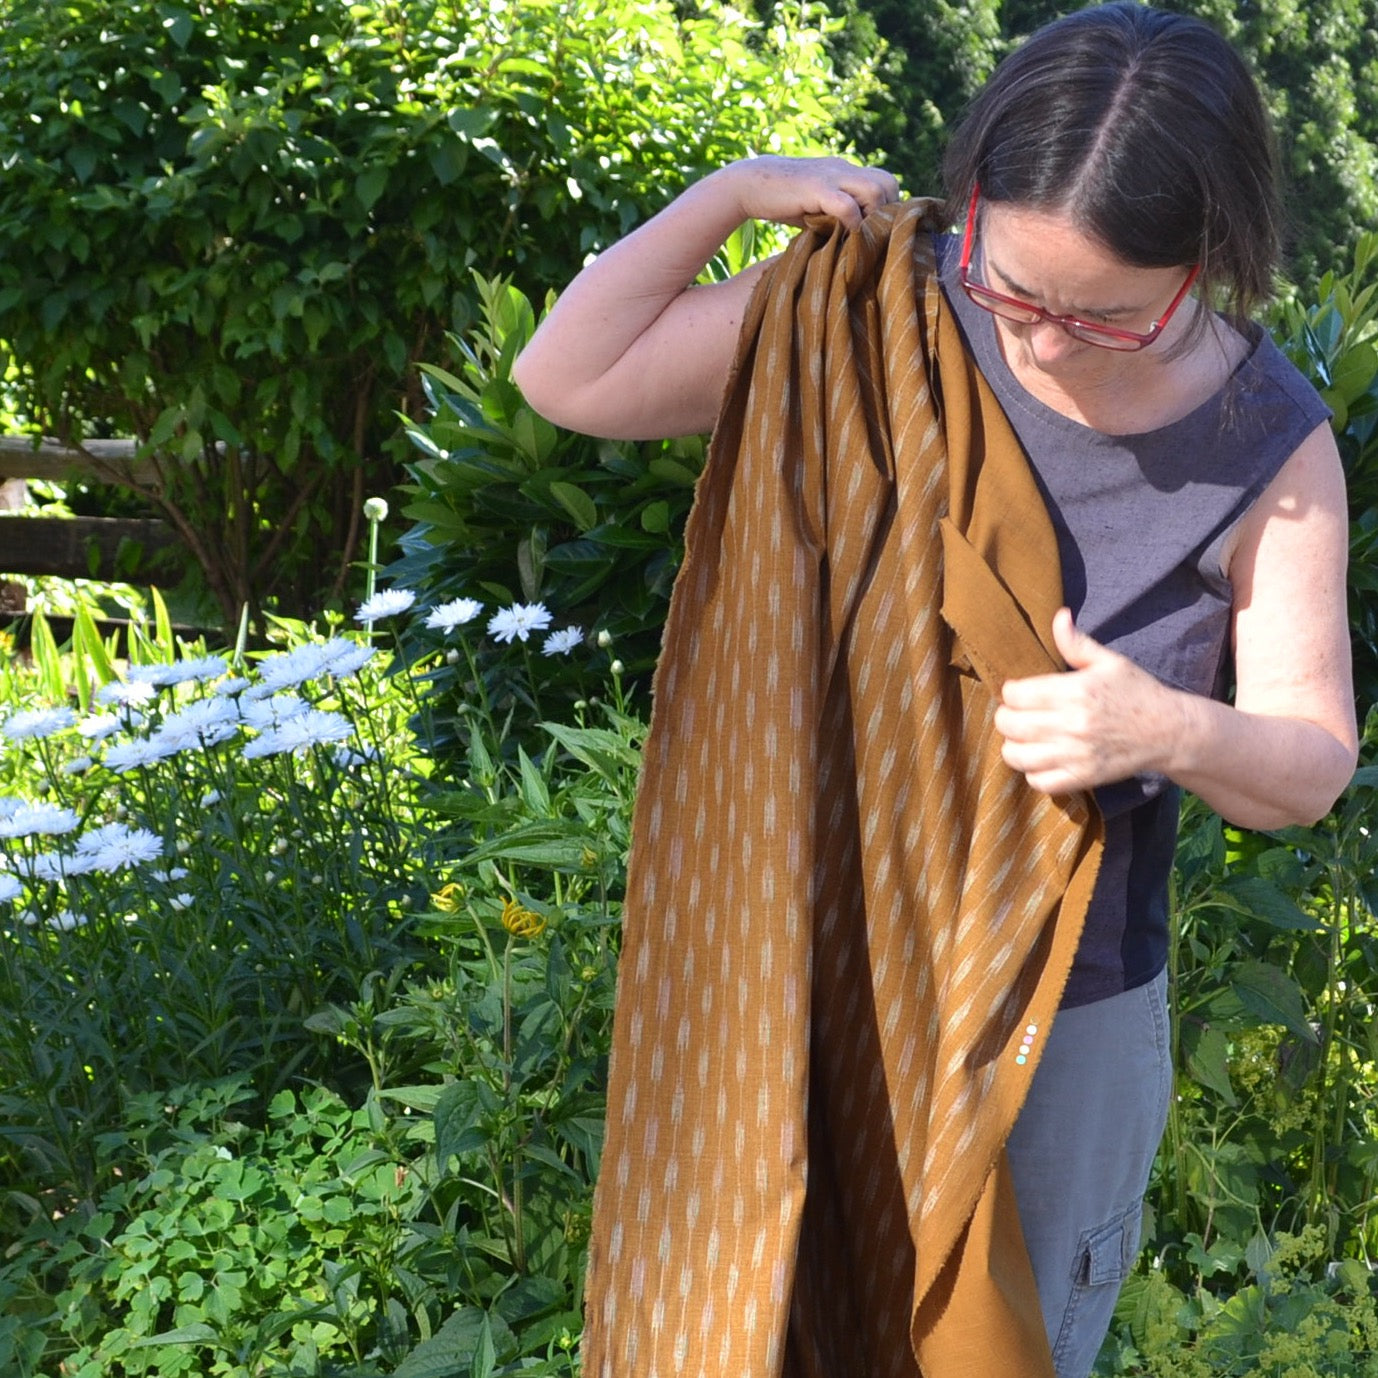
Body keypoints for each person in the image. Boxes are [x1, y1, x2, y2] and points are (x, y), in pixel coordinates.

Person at [514, 5, 1358, 1377]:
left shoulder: (1265, 447)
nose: (1044, 343)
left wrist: (1162, 727)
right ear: (969, 208)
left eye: (1107, 314)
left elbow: (1308, 766)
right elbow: (570, 377)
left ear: (1207, 262)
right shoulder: (873, 312)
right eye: (1012, 287)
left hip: (1057, 1017)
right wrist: (730, 194)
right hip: (804, 951)